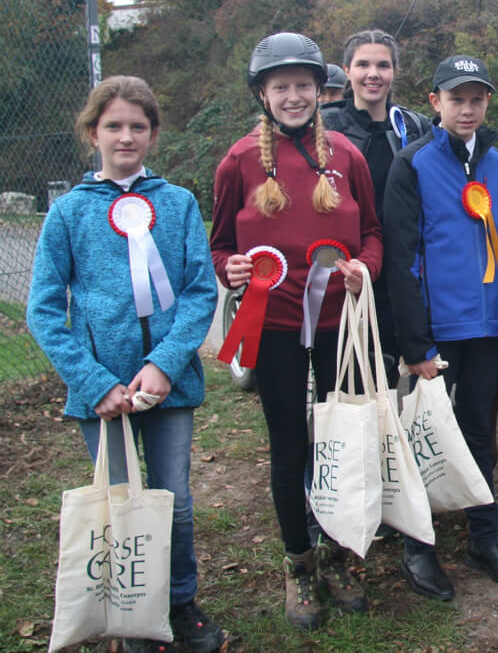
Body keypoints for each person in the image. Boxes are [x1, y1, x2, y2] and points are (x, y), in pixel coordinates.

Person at [26, 76, 223, 653]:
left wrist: (165, 363)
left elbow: (199, 292)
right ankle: (132, 606)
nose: (126, 136)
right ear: (93, 133)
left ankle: (180, 600)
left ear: (153, 134)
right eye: (113, 125)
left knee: (173, 500)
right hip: (102, 394)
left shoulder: (178, 204)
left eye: (138, 126)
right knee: (119, 503)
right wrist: (93, 382)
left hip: (169, 386)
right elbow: (44, 309)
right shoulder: (68, 213)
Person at [210, 32, 381, 628]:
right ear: (262, 93)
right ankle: (299, 563)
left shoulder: (348, 156)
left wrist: (366, 269)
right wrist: (230, 270)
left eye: (302, 85)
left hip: (341, 326)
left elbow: (373, 233)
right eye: (280, 86)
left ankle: (336, 554)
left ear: (318, 89)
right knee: (289, 448)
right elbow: (220, 246)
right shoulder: (238, 161)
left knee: (339, 443)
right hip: (274, 325)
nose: (292, 96)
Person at [383, 54, 498, 601]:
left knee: (479, 436)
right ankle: (418, 548)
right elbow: (401, 259)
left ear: (486, 101)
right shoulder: (412, 164)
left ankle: (483, 540)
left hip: (488, 331)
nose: (466, 109)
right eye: (456, 99)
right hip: (436, 334)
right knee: (424, 439)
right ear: (435, 102)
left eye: (476, 99)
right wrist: (415, 344)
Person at [320, 29, 432, 369]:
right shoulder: (324, 127)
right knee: (348, 375)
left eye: (383, 65)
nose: (373, 74)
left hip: (403, 272)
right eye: (363, 65)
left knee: (398, 372)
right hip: (349, 271)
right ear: (347, 70)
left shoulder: (415, 126)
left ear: (394, 71)